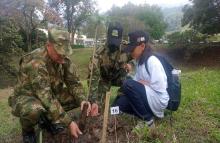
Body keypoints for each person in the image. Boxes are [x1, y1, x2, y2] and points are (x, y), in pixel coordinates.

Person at [8, 28, 94, 143]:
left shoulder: (63, 59)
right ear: (48, 45)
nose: (62, 57)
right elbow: (46, 97)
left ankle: (50, 119)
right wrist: (69, 122)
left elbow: (74, 83)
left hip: (50, 94)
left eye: (65, 52)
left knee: (76, 98)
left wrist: (82, 100)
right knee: (34, 111)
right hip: (27, 97)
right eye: (59, 52)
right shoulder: (35, 62)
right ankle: (28, 131)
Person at [112, 30, 169, 127]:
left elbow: (161, 87)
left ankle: (147, 120)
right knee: (119, 103)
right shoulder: (139, 62)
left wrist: (144, 84)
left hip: (158, 101)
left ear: (142, 46)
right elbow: (135, 84)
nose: (130, 52)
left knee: (127, 84)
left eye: (132, 49)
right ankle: (114, 112)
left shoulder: (152, 61)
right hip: (149, 99)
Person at [87, 22, 133, 112]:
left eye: (116, 41)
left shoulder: (126, 49)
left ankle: (118, 103)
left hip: (119, 77)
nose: (114, 44)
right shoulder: (98, 54)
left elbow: (137, 58)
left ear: (121, 38)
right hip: (104, 80)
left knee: (131, 84)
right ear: (107, 36)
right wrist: (92, 100)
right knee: (98, 108)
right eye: (112, 40)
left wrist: (131, 65)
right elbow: (93, 78)